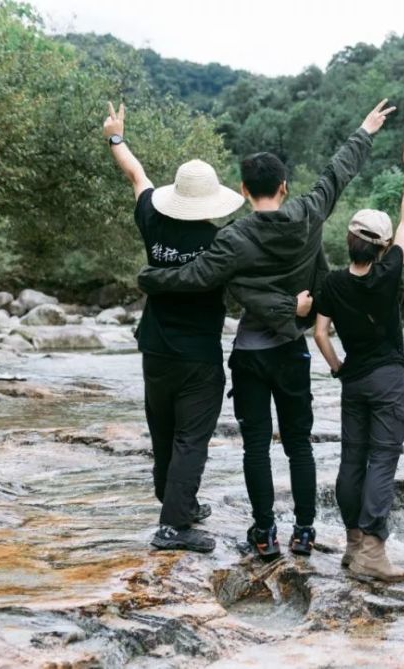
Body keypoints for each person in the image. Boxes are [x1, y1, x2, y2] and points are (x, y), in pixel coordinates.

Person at [137, 100, 395, 560]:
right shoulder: (309, 213)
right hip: (293, 351)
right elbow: (337, 174)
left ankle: (264, 534)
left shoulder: (233, 238)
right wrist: (365, 129)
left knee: (256, 447)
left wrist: (152, 277)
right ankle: (304, 531)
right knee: (299, 446)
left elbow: (195, 276)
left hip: (251, 354)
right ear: (283, 186)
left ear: (242, 189)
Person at [103, 102, 244, 553]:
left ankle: (175, 501)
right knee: (191, 439)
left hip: (156, 348)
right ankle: (173, 527)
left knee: (164, 429)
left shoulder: (152, 219)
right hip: (198, 354)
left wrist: (116, 137)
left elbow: (136, 175)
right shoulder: (220, 242)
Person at [312, 141, 404, 582]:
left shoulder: (332, 283)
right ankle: (373, 553)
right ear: (383, 245)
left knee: (352, 460)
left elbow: (320, 333)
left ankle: (353, 544)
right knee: (383, 460)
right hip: (388, 379)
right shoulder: (388, 271)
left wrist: (338, 367)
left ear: (349, 241)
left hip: (353, 379)